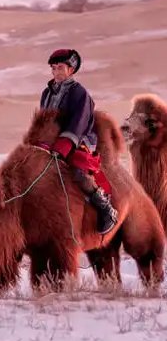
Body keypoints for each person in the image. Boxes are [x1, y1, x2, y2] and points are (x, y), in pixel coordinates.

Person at [40, 48, 117, 234]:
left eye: (60, 68)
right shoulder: (46, 93)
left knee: (78, 173)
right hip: (50, 143)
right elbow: (42, 121)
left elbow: (79, 122)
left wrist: (63, 146)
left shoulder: (79, 94)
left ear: (71, 69)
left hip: (78, 141)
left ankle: (105, 208)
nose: (56, 72)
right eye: (53, 68)